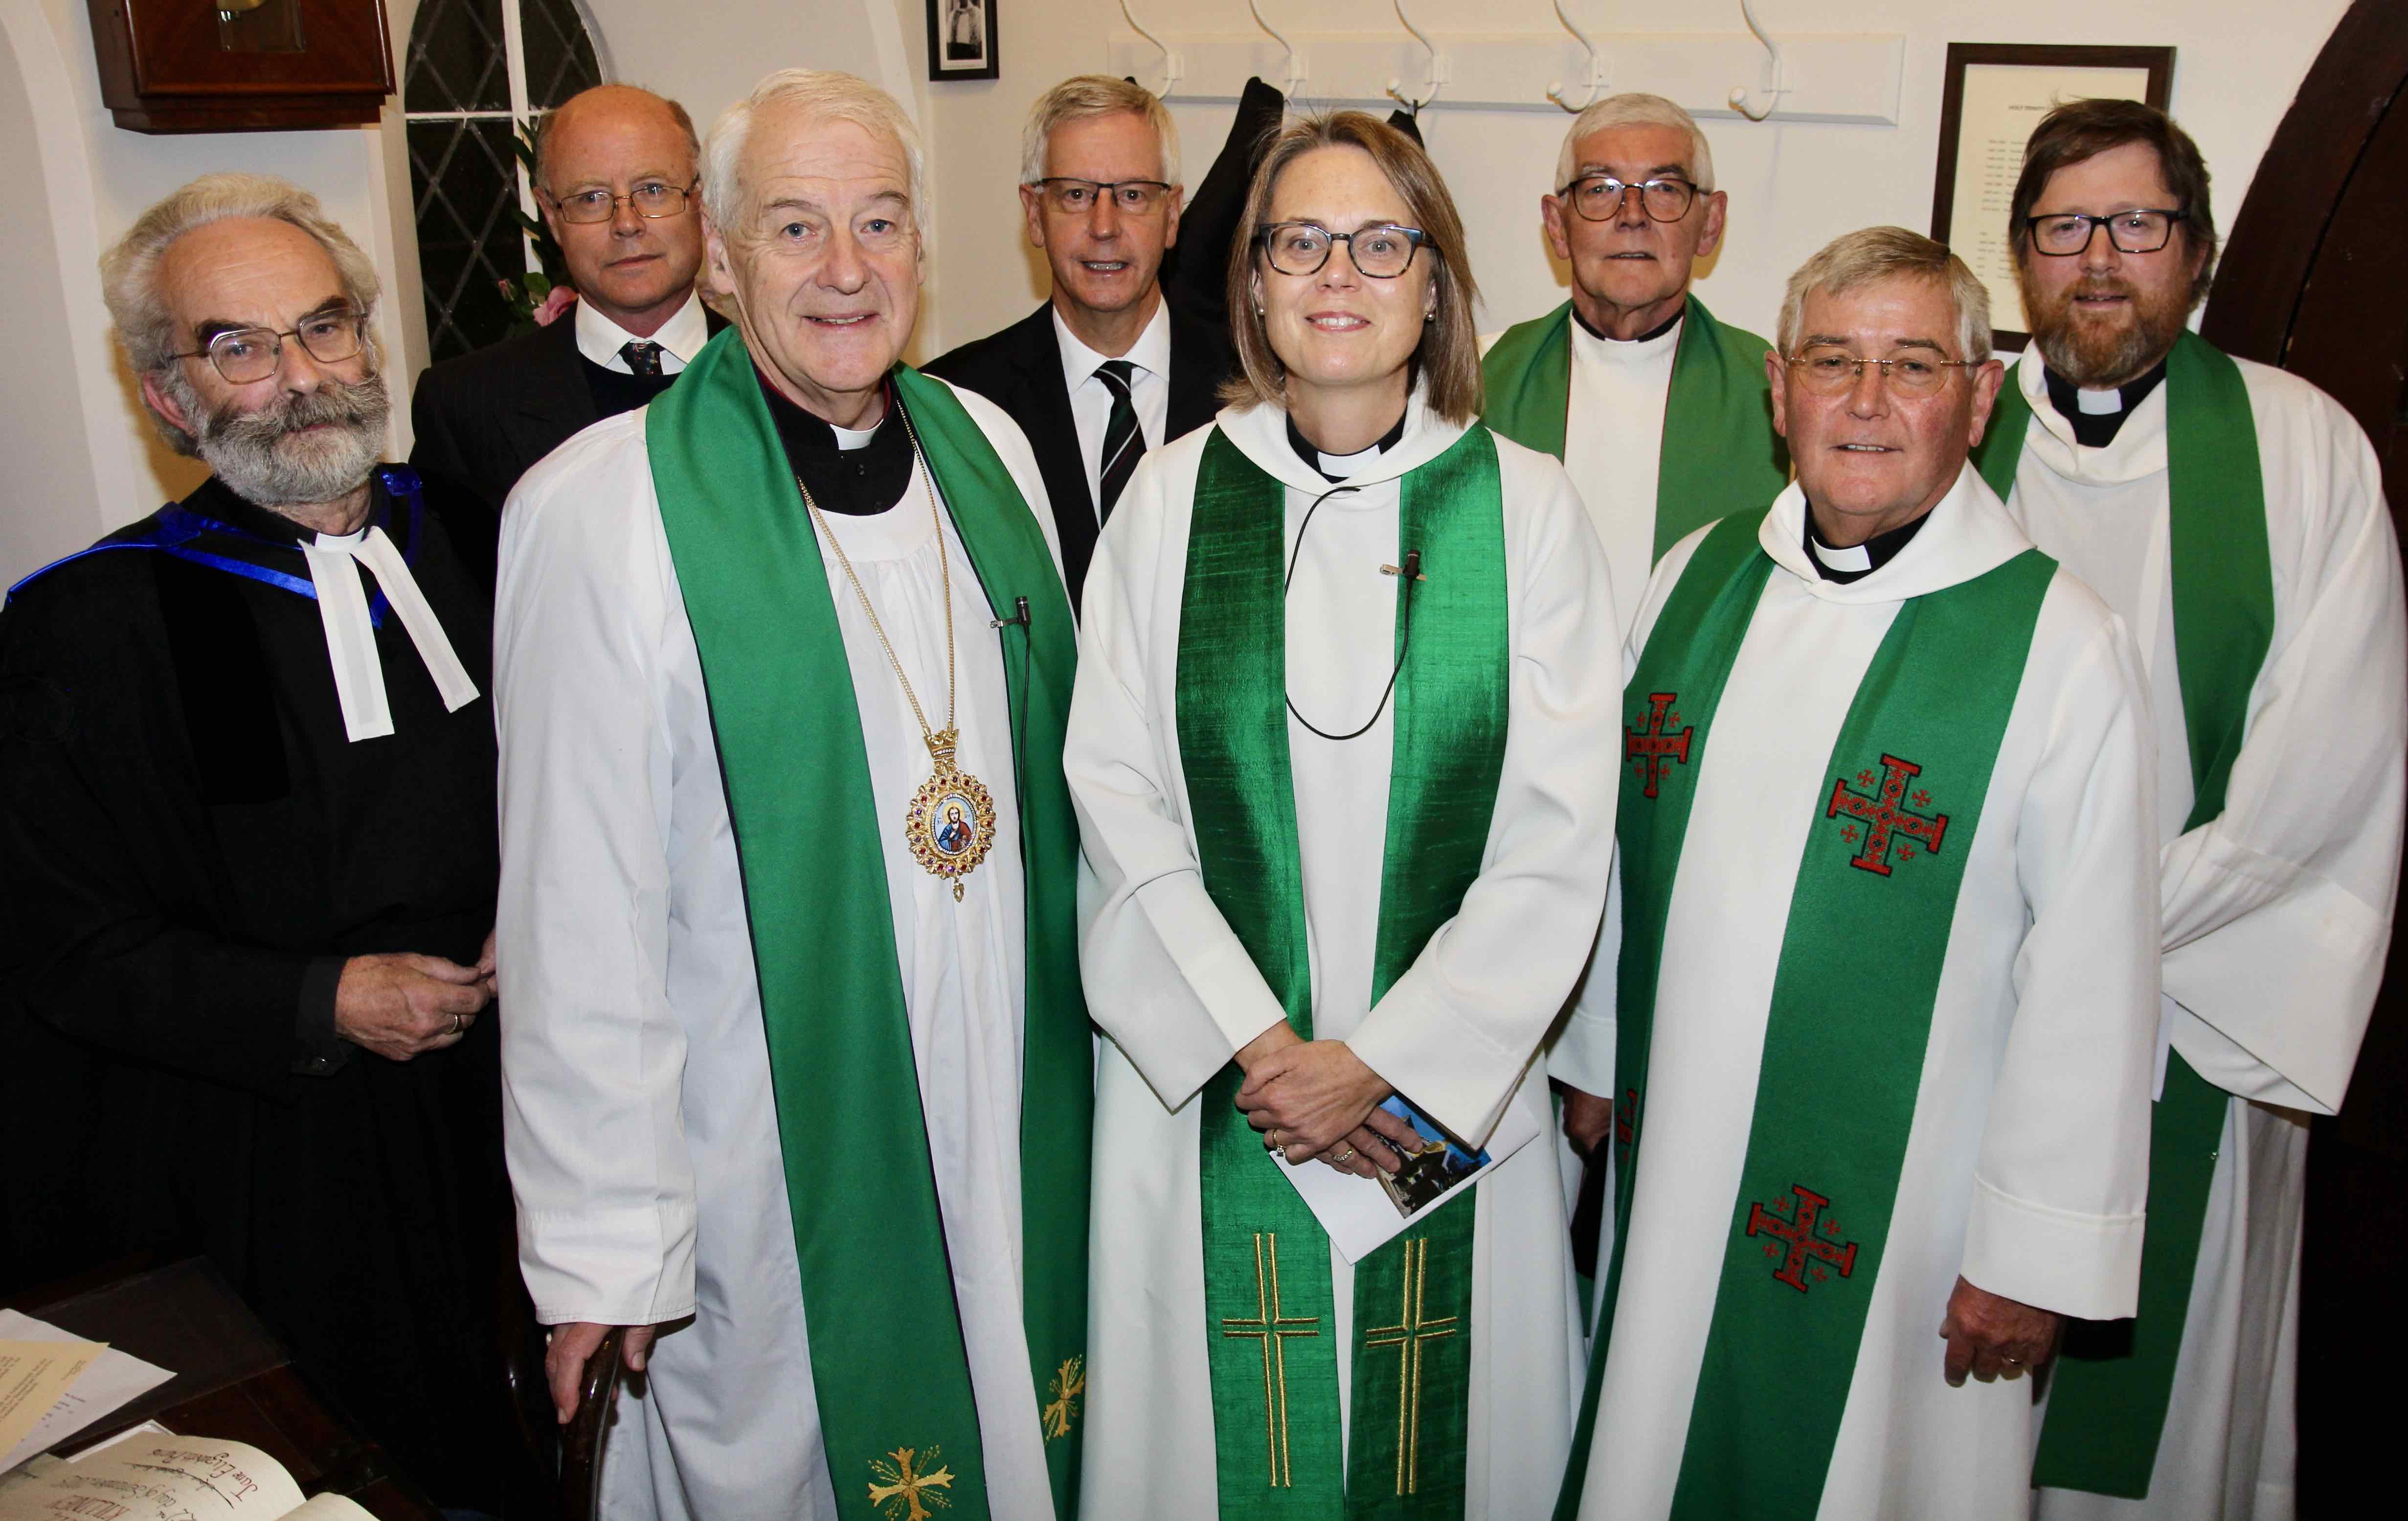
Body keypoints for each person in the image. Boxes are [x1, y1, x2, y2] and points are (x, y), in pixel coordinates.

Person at [495, 69, 1089, 1521]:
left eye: (881, 223)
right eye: (797, 227)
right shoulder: (602, 510)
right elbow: (577, 908)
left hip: (1007, 1094)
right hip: (762, 1146)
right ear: (718, 245)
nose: (846, 270)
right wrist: (603, 1248)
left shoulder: (990, 453)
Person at [1553, 227, 2160, 1521]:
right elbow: (1620, 854)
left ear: (1980, 395)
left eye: (1911, 364)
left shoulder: (2056, 643)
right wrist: (1600, 1049)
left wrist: (2037, 1253)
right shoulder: (1694, 578)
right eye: (1833, 360)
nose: (1867, 402)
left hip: (1910, 1222)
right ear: (1779, 389)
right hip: (1674, 1176)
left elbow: (2094, 979)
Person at [1067, 111, 1617, 1519]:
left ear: (1434, 281)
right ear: (1249, 282)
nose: (1337, 274)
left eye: (1380, 242)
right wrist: (1271, 1050)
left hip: (1440, 1109)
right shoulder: (1171, 501)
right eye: (1298, 241)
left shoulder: (1531, 513)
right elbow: (1114, 793)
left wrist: (1382, 1062)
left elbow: (1557, 836)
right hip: (1223, 1095)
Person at [0, 174, 511, 1509]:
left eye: (324, 328)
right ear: (168, 396)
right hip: (288, 1160)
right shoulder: (93, 628)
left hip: (521, 1107)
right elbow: (70, 949)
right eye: (239, 345)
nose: (301, 376)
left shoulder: (480, 532)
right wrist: (323, 994)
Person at [1979, 101, 2406, 1521]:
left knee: (2149, 1450)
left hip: (2196, 1005)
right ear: (2023, 255)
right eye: (2065, 226)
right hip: (1961, 1011)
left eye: (2139, 225)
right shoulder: (1938, 434)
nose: (2100, 258)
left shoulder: (2301, 450)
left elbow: (2319, 769)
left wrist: (2093, 935)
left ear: (2201, 251)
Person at [1481, 93, 1787, 647]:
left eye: (1665, 190)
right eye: (1600, 189)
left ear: (1710, 223)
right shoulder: (1474, 375)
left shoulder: (1777, 393)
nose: (1632, 217)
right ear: (1557, 224)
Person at [925, 76, 1229, 609]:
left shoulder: (1257, 384)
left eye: (1133, 195)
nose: (1104, 226)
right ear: (1034, 214)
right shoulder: (955, 404)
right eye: (1075, 195)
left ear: (1173, 215)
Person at [410, 84, 725, 513]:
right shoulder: (465, 407)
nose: (626, 224)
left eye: (653, 190)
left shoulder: (789, 379)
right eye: (590, 198)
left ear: (701, 201)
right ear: (551, 218)